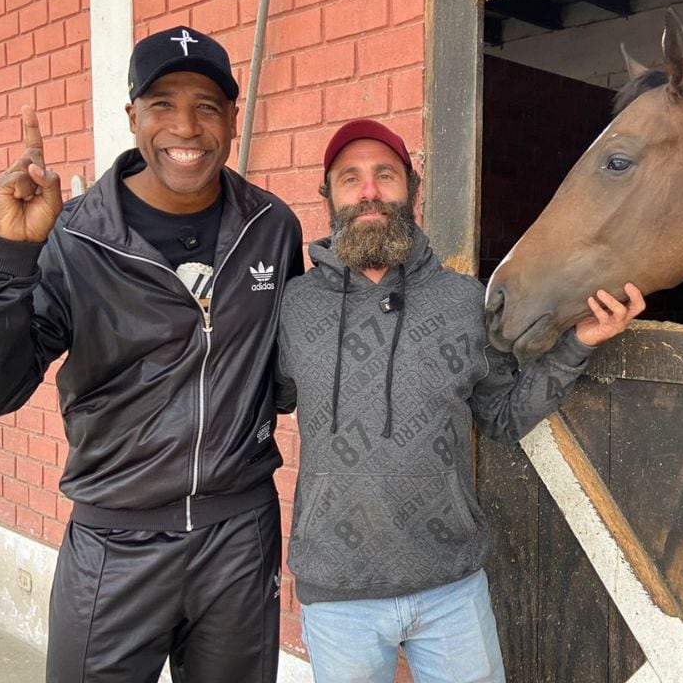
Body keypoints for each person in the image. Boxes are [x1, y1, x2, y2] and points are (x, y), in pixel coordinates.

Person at [0, 25, 303, 683]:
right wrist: (8, 258)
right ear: (133, 116)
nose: (186, 127)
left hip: (238, 541)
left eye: (207, 107)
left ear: (231, 119)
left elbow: (291, 365)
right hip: (114, 544)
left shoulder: (271, 227)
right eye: (162, 103)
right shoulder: (75, 237)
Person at [275, 118, 646, 682]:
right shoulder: (293, 306)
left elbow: (501, 417)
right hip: (337, 591)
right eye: (350, 179)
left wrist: (577, 345)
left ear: (412, 190)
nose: (370, 191)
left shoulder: (462, 299)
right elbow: (258, 401)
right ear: (328, 197)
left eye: (385, 175)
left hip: (451, 587)